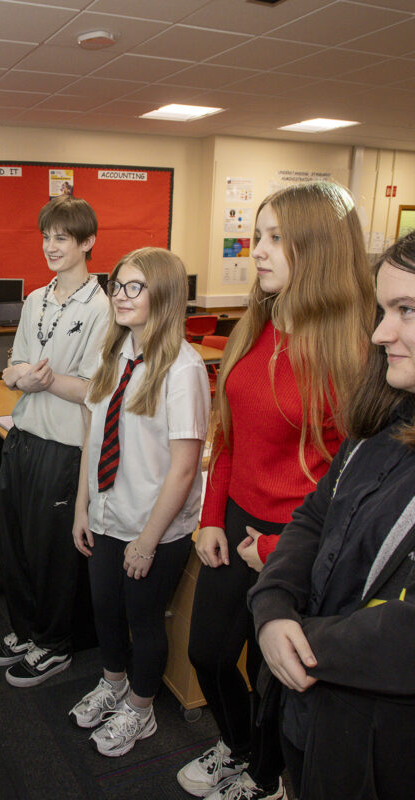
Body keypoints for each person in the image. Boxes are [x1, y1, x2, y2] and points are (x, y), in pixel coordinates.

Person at [177, 182, 375, 800]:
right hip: (235, 518)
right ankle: (236, 747)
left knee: (273, 676)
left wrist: (283, 552)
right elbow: (228, 434)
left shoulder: (352, 353)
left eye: (273, 238)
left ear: (314, 249)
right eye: (257, 236)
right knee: (208, 654)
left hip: (295, 540)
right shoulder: (254, 325)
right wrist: (212, 517)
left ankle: (262, 774)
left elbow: (351, 486)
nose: (255, 252)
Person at [248, 231, 415, 800]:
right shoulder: (388, 417)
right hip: (317, 703)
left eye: (406, 311)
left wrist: (298, 639)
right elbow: (316, 517)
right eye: (382, 309)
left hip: (379, 735)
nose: (379, 333)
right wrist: (272, 606)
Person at [69, 248, 210, 757]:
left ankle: (142, 709)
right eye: (118, 286)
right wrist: (82, 507)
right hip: (107, 513)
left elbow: (184, 467)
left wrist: (148, 541)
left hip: (154, 526)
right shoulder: (114, 352)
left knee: (143, 619)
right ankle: (113, 684)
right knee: (105, 609)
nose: (120, 296)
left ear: (165, 296)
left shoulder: (183, 369)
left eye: (135, 287)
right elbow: (91, 437)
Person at [0, 195, 109, 687]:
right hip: (23, 438)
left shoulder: (103, 309)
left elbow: (98, 390)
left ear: (87, 242)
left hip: (64, 448)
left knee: (52, 552)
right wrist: (19, 377)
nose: (50, 246)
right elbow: (11, 366)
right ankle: (26, 629)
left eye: (61, 238)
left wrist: (45, 381)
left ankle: (54, 643)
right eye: (46, 237)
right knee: (15, 543)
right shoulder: (36, 299)